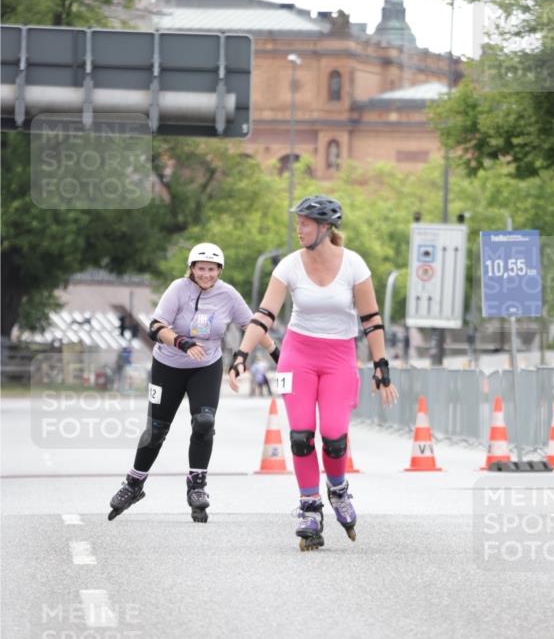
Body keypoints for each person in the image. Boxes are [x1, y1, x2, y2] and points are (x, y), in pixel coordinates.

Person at [228, 195, 398, 551]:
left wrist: (381, 367)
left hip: (339, 358)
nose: (299, 229)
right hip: (297, 355)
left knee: (335, 438)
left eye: (305, 223)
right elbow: (263, 315)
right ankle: (309, 507)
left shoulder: (354, 265)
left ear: (325, 227)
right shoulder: (289, 266)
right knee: (301, 437)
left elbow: (371, 320)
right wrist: (241, 354)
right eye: (298, 222)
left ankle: (337, 490)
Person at [108, 242, 279, 523]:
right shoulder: (178, 289)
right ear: (191, 268)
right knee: (156, 429)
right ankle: (133, 484)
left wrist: (276, 354)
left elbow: (253, 327)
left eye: (211, 269)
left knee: (204, 422)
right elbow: (155, 326)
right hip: (168, 365)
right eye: (201, 268)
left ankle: (197, 485)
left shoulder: (228, 295)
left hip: (206, 367)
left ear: (219, 270)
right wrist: (182, 341)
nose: (206, 274)